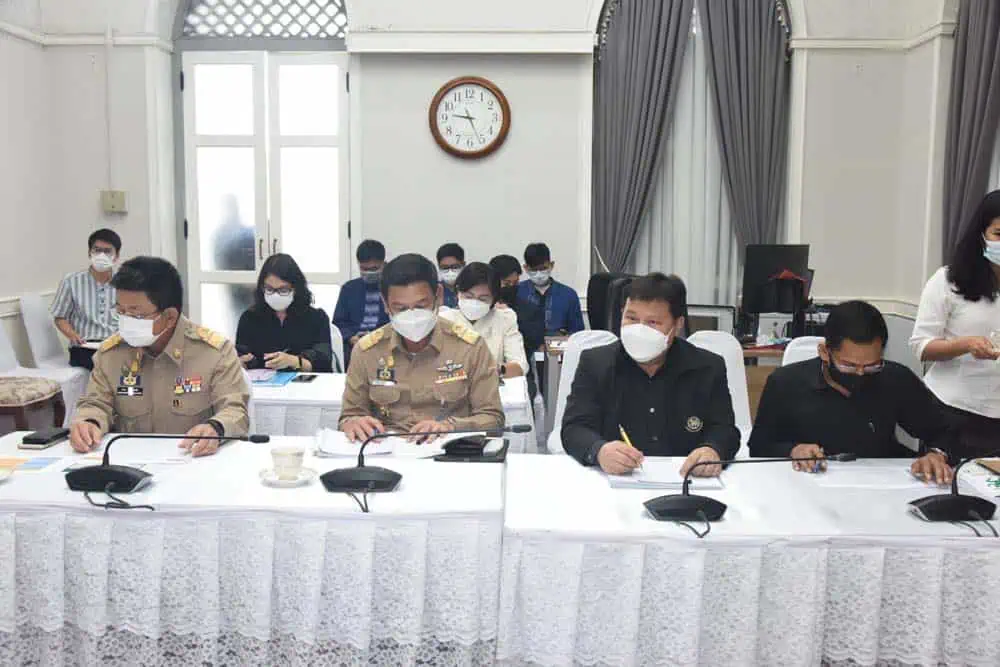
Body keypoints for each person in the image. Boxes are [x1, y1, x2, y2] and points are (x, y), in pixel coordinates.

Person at [750, 301, 955, 483]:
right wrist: (793, 450)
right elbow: (759, 446)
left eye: (871, 366)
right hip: (806, 484)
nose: (859, 374)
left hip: (880, 486)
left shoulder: (895, 379)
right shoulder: (786, 383)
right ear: (824, 352)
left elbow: (944, 429)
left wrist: (936, 454)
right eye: (848, 366)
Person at [562, 273, 738, 477]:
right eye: (631, 318)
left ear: (677, 324)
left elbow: (725, 430)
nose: (639, 330)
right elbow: (574, 428)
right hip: (615, 481)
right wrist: (599, 450)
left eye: (653, 322)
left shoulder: (708, 367)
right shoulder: (596, 363)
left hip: (686, 480)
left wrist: (712, 449)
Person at [69, 257, 249, 456]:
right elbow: (96, 404)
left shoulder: (214, 353)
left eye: (136, 315)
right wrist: (88, 423)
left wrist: (216, 428)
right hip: (129, 464)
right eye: (120, 311)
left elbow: (234, 410)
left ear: (170, 317)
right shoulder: (110, 355)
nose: (126, 321)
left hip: (193, 463)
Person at [340, 253, 504, 443]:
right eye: (401, 308)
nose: (412, 316)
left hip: (449, 451)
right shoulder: (367, 351)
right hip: (385, 453)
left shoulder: (470, 347)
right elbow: (349, 415)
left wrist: (450, 427)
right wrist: (353, 422)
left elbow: (493, 420)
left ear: (438, 296)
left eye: (421, 305)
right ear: (385, 305)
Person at [911, 190, 1000, 459]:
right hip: (953, 410)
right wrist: (964, 345)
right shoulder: (949, 280)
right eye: (999, 233)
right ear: (981, 234)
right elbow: (921, 346)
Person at [236, 254, 333, 373]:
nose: (275, 295)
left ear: (296, 288)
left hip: (305, 387)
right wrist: (240, 363)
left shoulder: (317, 318)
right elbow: (242, 358)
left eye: (283, 290)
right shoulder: (249, 318)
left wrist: (294, 361)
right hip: (262, 388)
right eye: (269, 289)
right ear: (262, 288)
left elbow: (324, 364)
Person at [439, 262, 528, 378]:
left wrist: (492, 370)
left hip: (492, 387)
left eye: (483, 299)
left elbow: (520, 366)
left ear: (494, 299)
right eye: (468, 296)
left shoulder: (505, 319)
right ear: (457, 292)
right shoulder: (443, 319)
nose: (474, 303)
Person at [51, 228, 122, 370]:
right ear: (89, 253)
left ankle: (128, 391)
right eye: (97, 250)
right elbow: (60, 317)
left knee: (133, 368)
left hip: (116, 345)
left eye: (107, 251)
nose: (101, 255)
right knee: (108, 368)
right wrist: (72, 335)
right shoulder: (71, 281)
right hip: (84, 348)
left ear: (116, 256)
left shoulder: (125, 284)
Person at [333, 239, 390, 371]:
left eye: (374, 269)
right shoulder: (349, 288)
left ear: (383, 264)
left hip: (384, 343)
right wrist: (351, 337)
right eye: (364, 269)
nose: (369, 273)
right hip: (355, 344)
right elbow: (338, 322)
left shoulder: (392, 288)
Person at [516, 242, 585, 336]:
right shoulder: (517, 292)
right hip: (525, 348)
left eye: (543, 268)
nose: (539, 274)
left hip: (560, 347)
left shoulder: (568, 295)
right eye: (534, 270)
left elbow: (578, 333)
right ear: (526, 268)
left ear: (551, 265)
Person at [436, 243, 466, 308]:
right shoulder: (434, 290)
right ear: (439, 266)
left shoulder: (472, 289)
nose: (450, 271)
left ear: (463, 265)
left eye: (455, 267)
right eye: (445, 267)